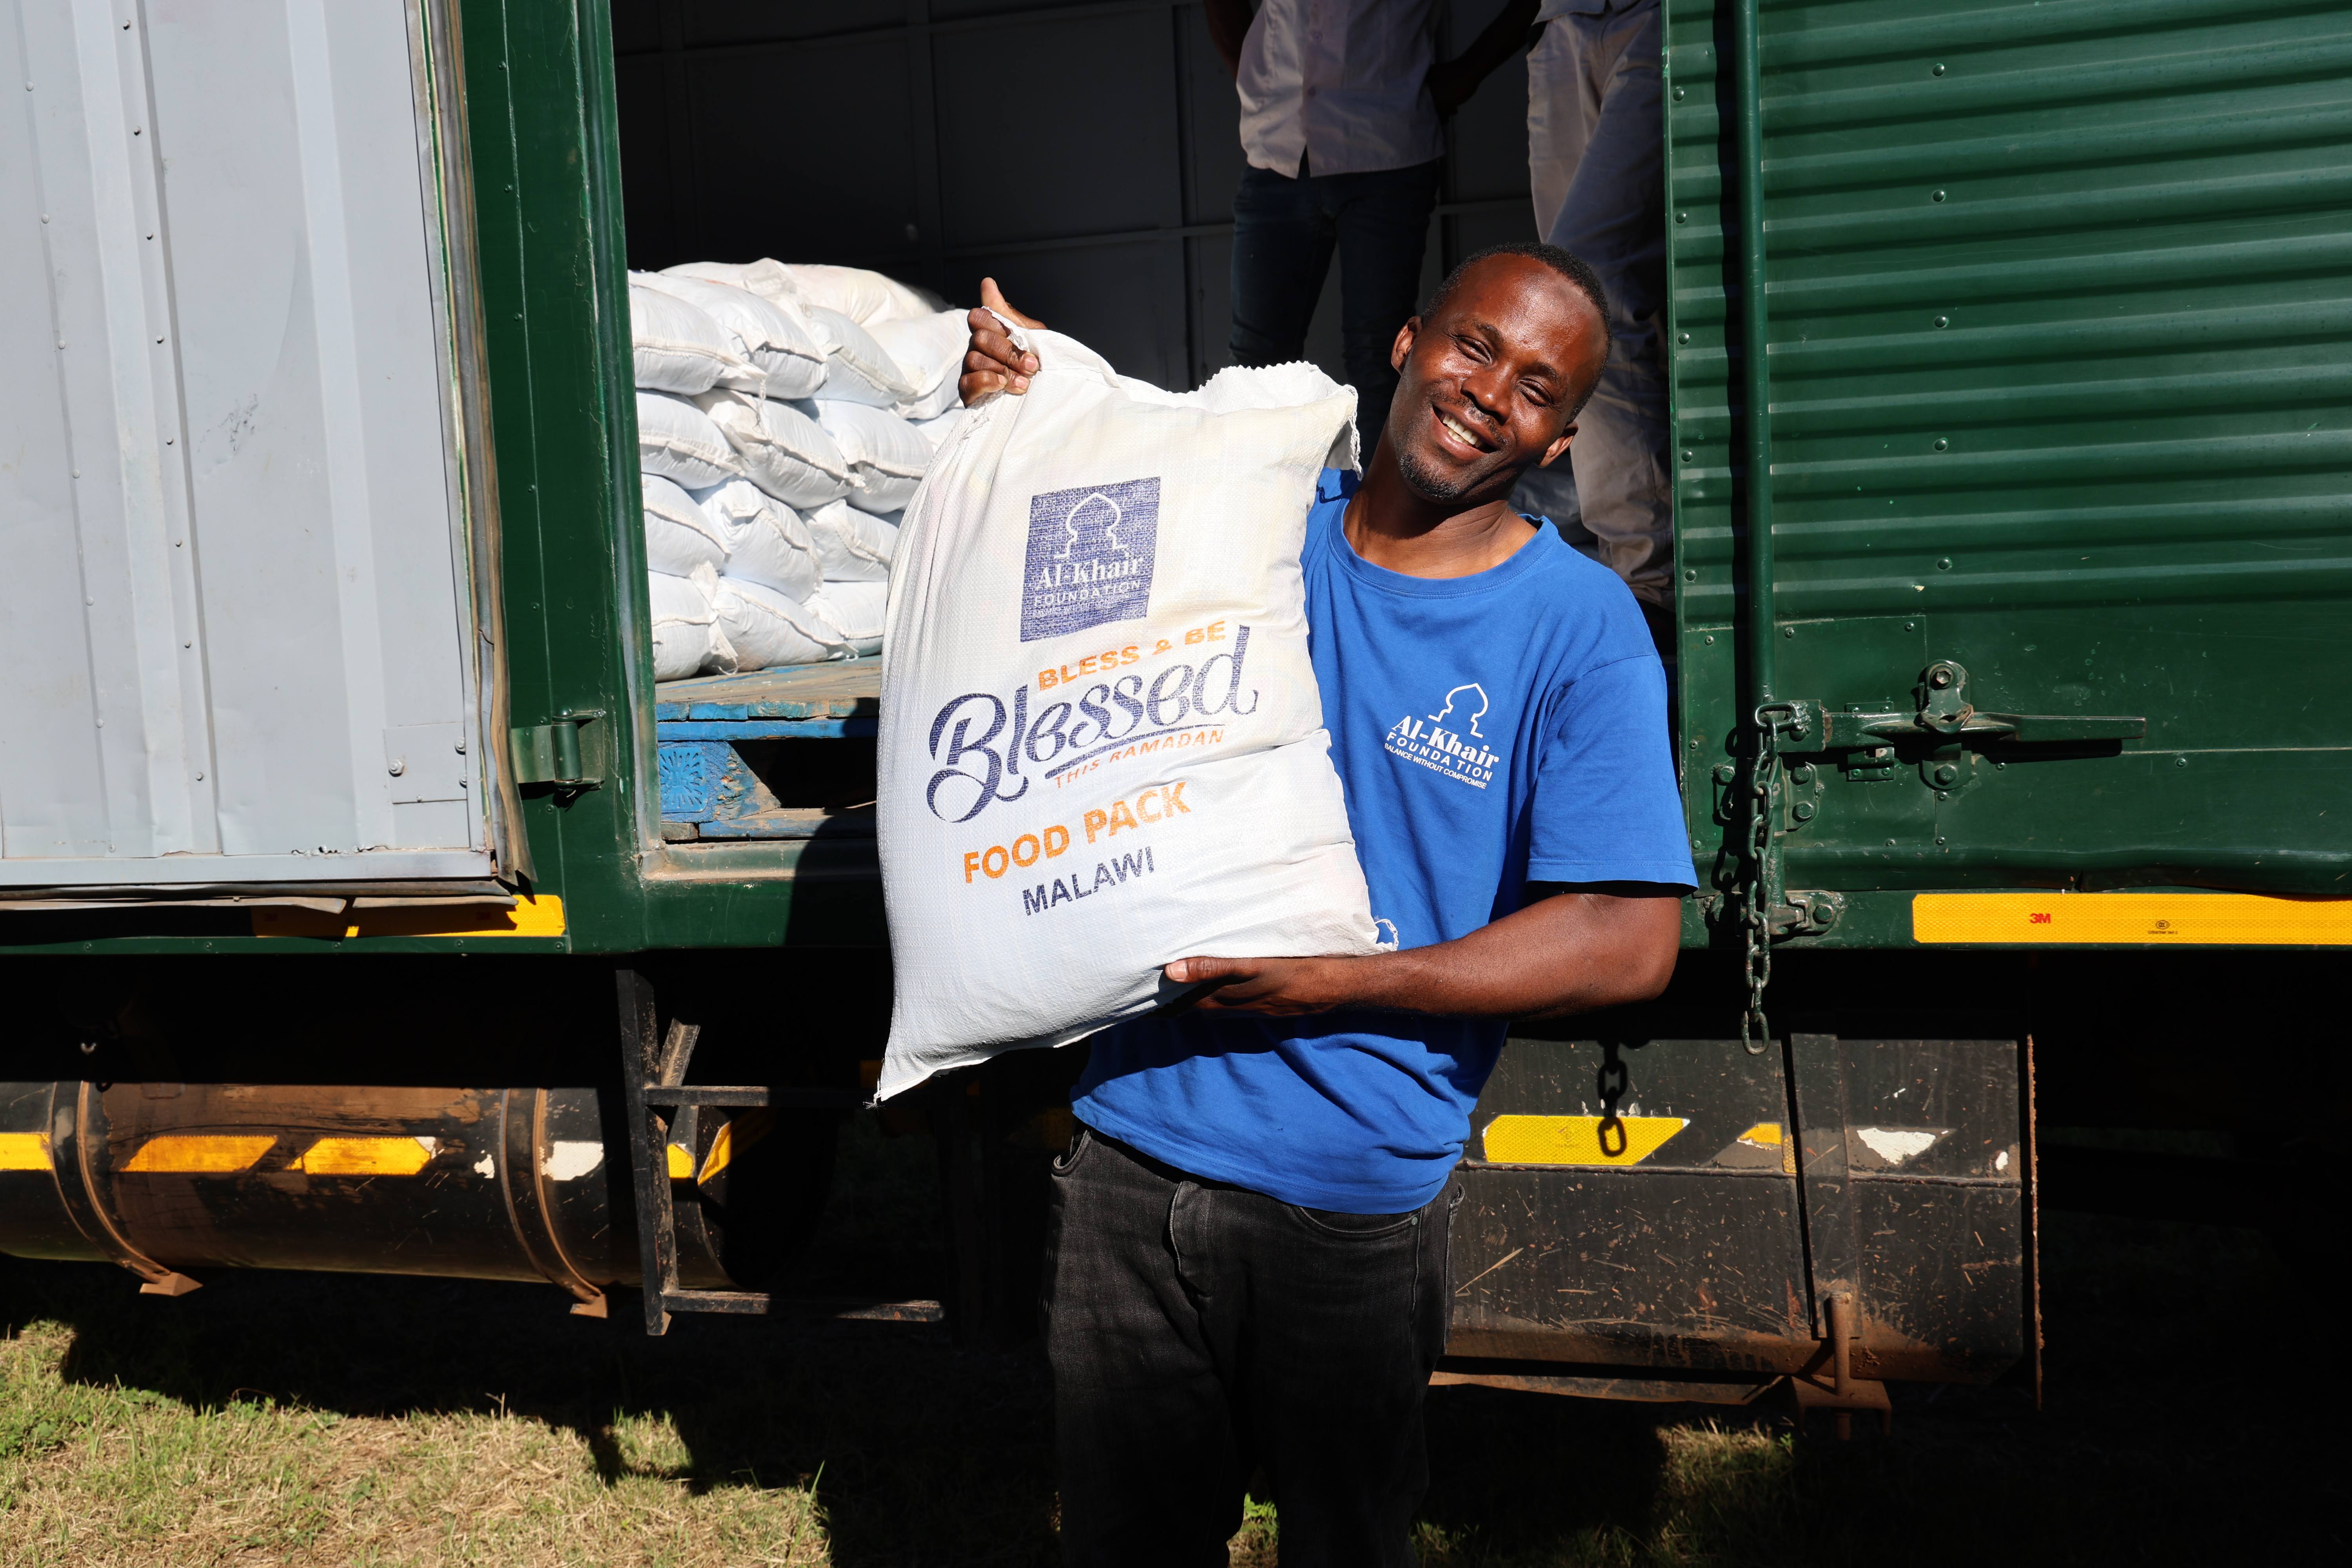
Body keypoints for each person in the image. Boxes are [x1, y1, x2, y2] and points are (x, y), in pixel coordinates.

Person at [961, 241, 1695, 1567]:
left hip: (1348, 1196)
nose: (1488, 394)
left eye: (1536, 387)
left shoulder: (1578, 628)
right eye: (1474, 346)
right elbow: (1052, 560)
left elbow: (1630, 938)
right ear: (1408, 341)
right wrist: (1016, 413)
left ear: (1565, 436)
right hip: (1130, 1147)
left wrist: (1344, 982)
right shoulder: (1251, 532)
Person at [1204, 0, 1537, 446]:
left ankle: (1375, 512)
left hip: (1388, 146)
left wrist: (1467, 75)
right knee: (1255, 363)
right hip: (1279, 147)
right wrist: (1252, 76)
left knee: (1381, 359)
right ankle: (1252, 505)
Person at [1521, 0, 1672, 649]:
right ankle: (1641, 569)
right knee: (1576, 289)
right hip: (1563, 21)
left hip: (1666, 15)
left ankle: (1650, 581)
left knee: (1587, 283)